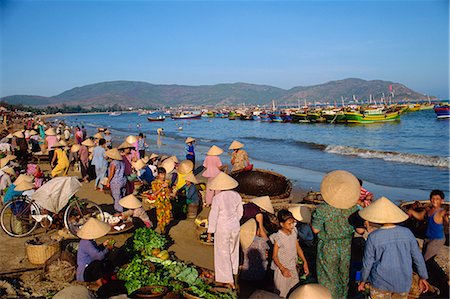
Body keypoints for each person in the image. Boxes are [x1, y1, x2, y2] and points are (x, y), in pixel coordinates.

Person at [358, 197, 429, 298]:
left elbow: (367, 263)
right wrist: (423, 277)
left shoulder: (373, 237)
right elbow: (417, 257)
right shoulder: (407, 233)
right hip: (403, 282)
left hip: (380, 283)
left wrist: (363, 280)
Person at [311, 170, 360, 299]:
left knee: (328, 277)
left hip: (328, 246)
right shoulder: (353, 208)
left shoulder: (323, 209)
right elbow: (360, 230)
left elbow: (315, 230)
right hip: (345, 245)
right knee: (343, 275)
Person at [207, 172, 243, 289]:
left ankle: (227, 279)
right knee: (233, 249)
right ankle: (234, 272)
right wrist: (234, 221)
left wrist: (210, 232)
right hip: (234, 226)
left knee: (222, 252)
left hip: (222, 227)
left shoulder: (218, 198)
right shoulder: (237, 195)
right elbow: (240, 213)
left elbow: (213, 216)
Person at [270, 209, 309, 298]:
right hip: (282, 271)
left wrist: (304, 262)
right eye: (289, 224)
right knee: (282, 294)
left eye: (293, 223)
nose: (292, 225)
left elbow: (297, 247)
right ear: (281, 224)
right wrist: (283, 269)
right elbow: (275, 256)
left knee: (295, 292)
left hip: (292, 267)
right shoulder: (278, 237)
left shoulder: (294, 231)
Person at [76, 218, 114, 286]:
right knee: (97, 263)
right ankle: (101, 285)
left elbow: (95, 251)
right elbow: (98, 257)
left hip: (89, 268)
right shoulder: (86, 243)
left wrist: (103, 245)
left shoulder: (89, 241)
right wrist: (107, 249)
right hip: (84, 273)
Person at [151, 167, 172, 234]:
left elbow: (169, 193)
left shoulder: (167, 182)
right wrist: (161, 188)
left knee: (167, 216)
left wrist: (167, 187)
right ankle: (162, 231)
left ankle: (165, 228)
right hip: (159, 202)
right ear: (158, 175)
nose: (163, 176)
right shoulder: (154, 183)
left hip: (166, 202)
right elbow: (154, 193)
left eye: (164, 174)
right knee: (160, 217)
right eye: (162, 174)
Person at [105, 148, 126, 212]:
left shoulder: (113, 163)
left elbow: (111, 173)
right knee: (122, 196)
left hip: (116, 182)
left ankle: (119, 211)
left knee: (117, 198)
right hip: (123, 180)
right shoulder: (122, 162)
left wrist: (108, 181)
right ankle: (124, 208)